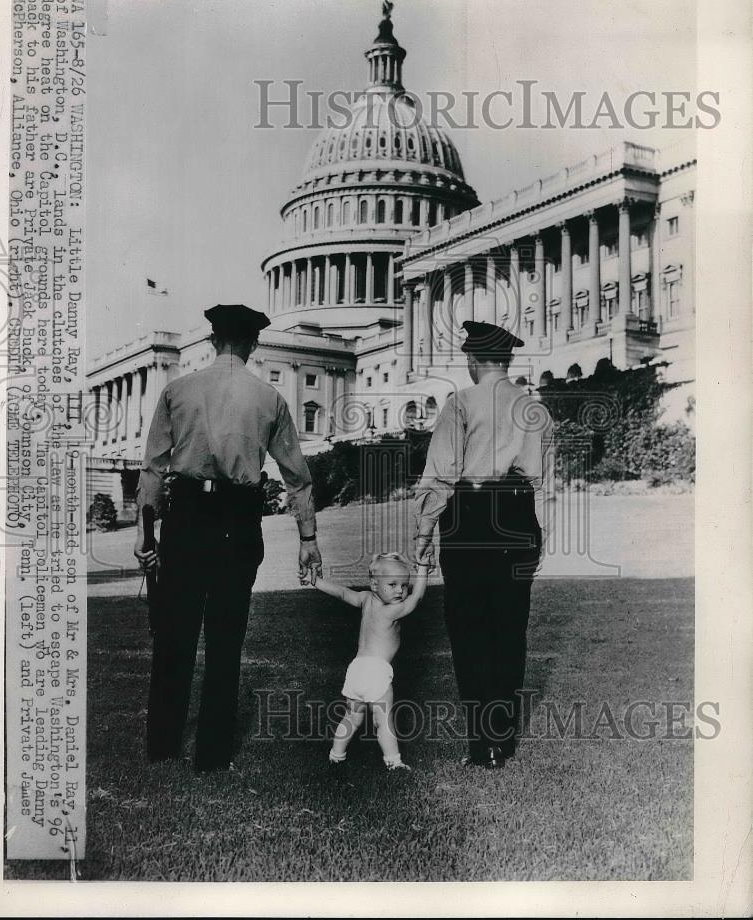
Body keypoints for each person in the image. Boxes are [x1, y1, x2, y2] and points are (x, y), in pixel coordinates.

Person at [134, 303, 322, 772]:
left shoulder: (178, 390)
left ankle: (162, 744)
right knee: (225, 634)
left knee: (174, 633)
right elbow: (297, 476)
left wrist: (146, 533)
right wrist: (308, 536)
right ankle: (213, 753)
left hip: (188, 515)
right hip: (238, 518)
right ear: (254, 344)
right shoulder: (269, 398)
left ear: (213, 340)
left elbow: (154, 467)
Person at [413, 320, 555, 770]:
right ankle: (501, 739)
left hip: (470, 516)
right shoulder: (535, 408)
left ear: (472, 361)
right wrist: (540, 536)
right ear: (508, 360)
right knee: (509, 628)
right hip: (518, 517)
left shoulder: (460, 402)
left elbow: (440, 474)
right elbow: (544, 483)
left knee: (468, 627)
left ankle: (482, 743)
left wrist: (424, 532)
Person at [307, 553, 429, 771]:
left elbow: (343, 593)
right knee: (383, 721)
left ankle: (336, 755)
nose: (400, 591)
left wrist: (316, 581)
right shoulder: (394, 610)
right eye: (392, 584)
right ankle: (394, 762)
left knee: (352, 718)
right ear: (374, 584)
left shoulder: (365, 599)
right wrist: (423, 567)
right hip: (377, 671)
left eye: (404, 585)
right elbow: (418, 597)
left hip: (356, 669)